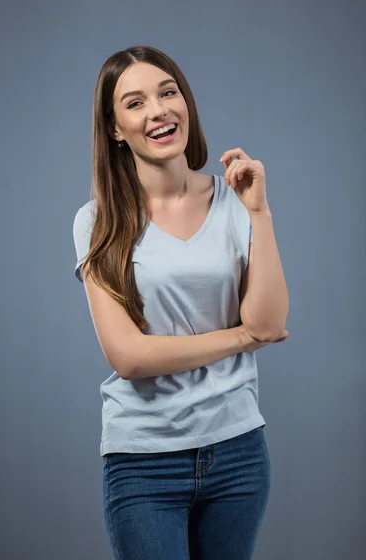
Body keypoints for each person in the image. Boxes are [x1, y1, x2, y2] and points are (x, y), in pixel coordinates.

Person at [72, 45, 289, 560]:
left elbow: (272, 320)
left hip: (238, 450)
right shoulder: (98, 222)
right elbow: (129, 357)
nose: (159, 110)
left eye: (168, 93)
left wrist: (259, 213)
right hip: (144, 459)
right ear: (115, 129)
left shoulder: (236, 202)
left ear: (186, 102)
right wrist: (242, 338)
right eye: (135, 102)